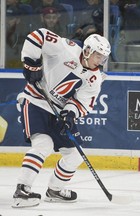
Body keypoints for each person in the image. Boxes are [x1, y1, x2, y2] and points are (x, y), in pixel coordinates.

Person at [11, 28, 111, 208]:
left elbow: (83, 103)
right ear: (87, 50)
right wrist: (31, 64)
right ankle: (22, 191)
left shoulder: (95, 78)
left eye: (103, 58)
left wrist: (70, 114)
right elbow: (38, 35)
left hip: (58, 110)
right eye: (98, 56)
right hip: (36, 100)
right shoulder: (67, 49)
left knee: (74, 155)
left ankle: (55, 190)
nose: (100, 61)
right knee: (43, 144)